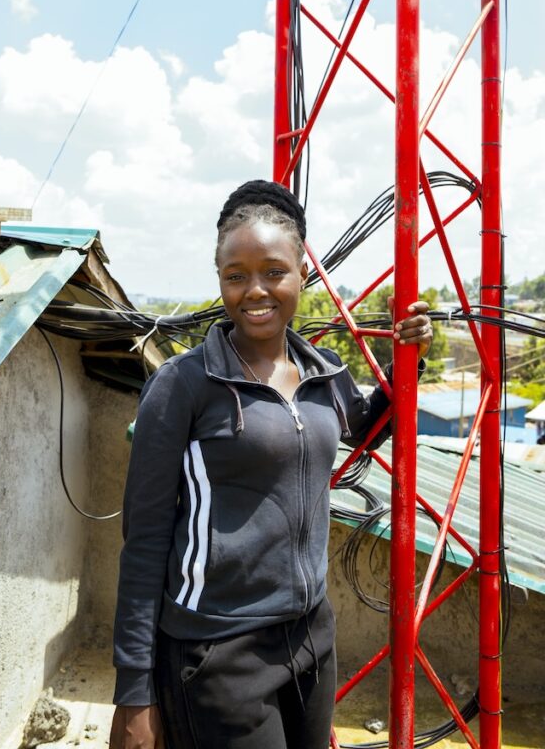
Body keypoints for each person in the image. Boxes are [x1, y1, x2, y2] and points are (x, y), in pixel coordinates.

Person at [109, 180, 432, 749]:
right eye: (236, 275)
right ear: (220, 283)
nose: (255, 290)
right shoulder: (183, 385)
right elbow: (143, 543)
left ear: (302, 273)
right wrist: (135, 692)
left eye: (273, 271)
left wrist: (406, 365)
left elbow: (364, 431)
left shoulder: (324, 372)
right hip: (217, 650)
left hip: (310, 638)